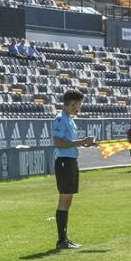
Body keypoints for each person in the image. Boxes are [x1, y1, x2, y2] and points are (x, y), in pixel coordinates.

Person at [50, 90, 96, 249]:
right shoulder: (60, 119)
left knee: (68, 200)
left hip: (70, 160)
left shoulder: (69, 120)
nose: (79, 109)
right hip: (64, 161)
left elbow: (69, 141)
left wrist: (85, 143)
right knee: (64, 199)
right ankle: (61, 240)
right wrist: (81, 141)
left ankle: (64, 239)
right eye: (79, 105)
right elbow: (58, 143)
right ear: (73, 104)